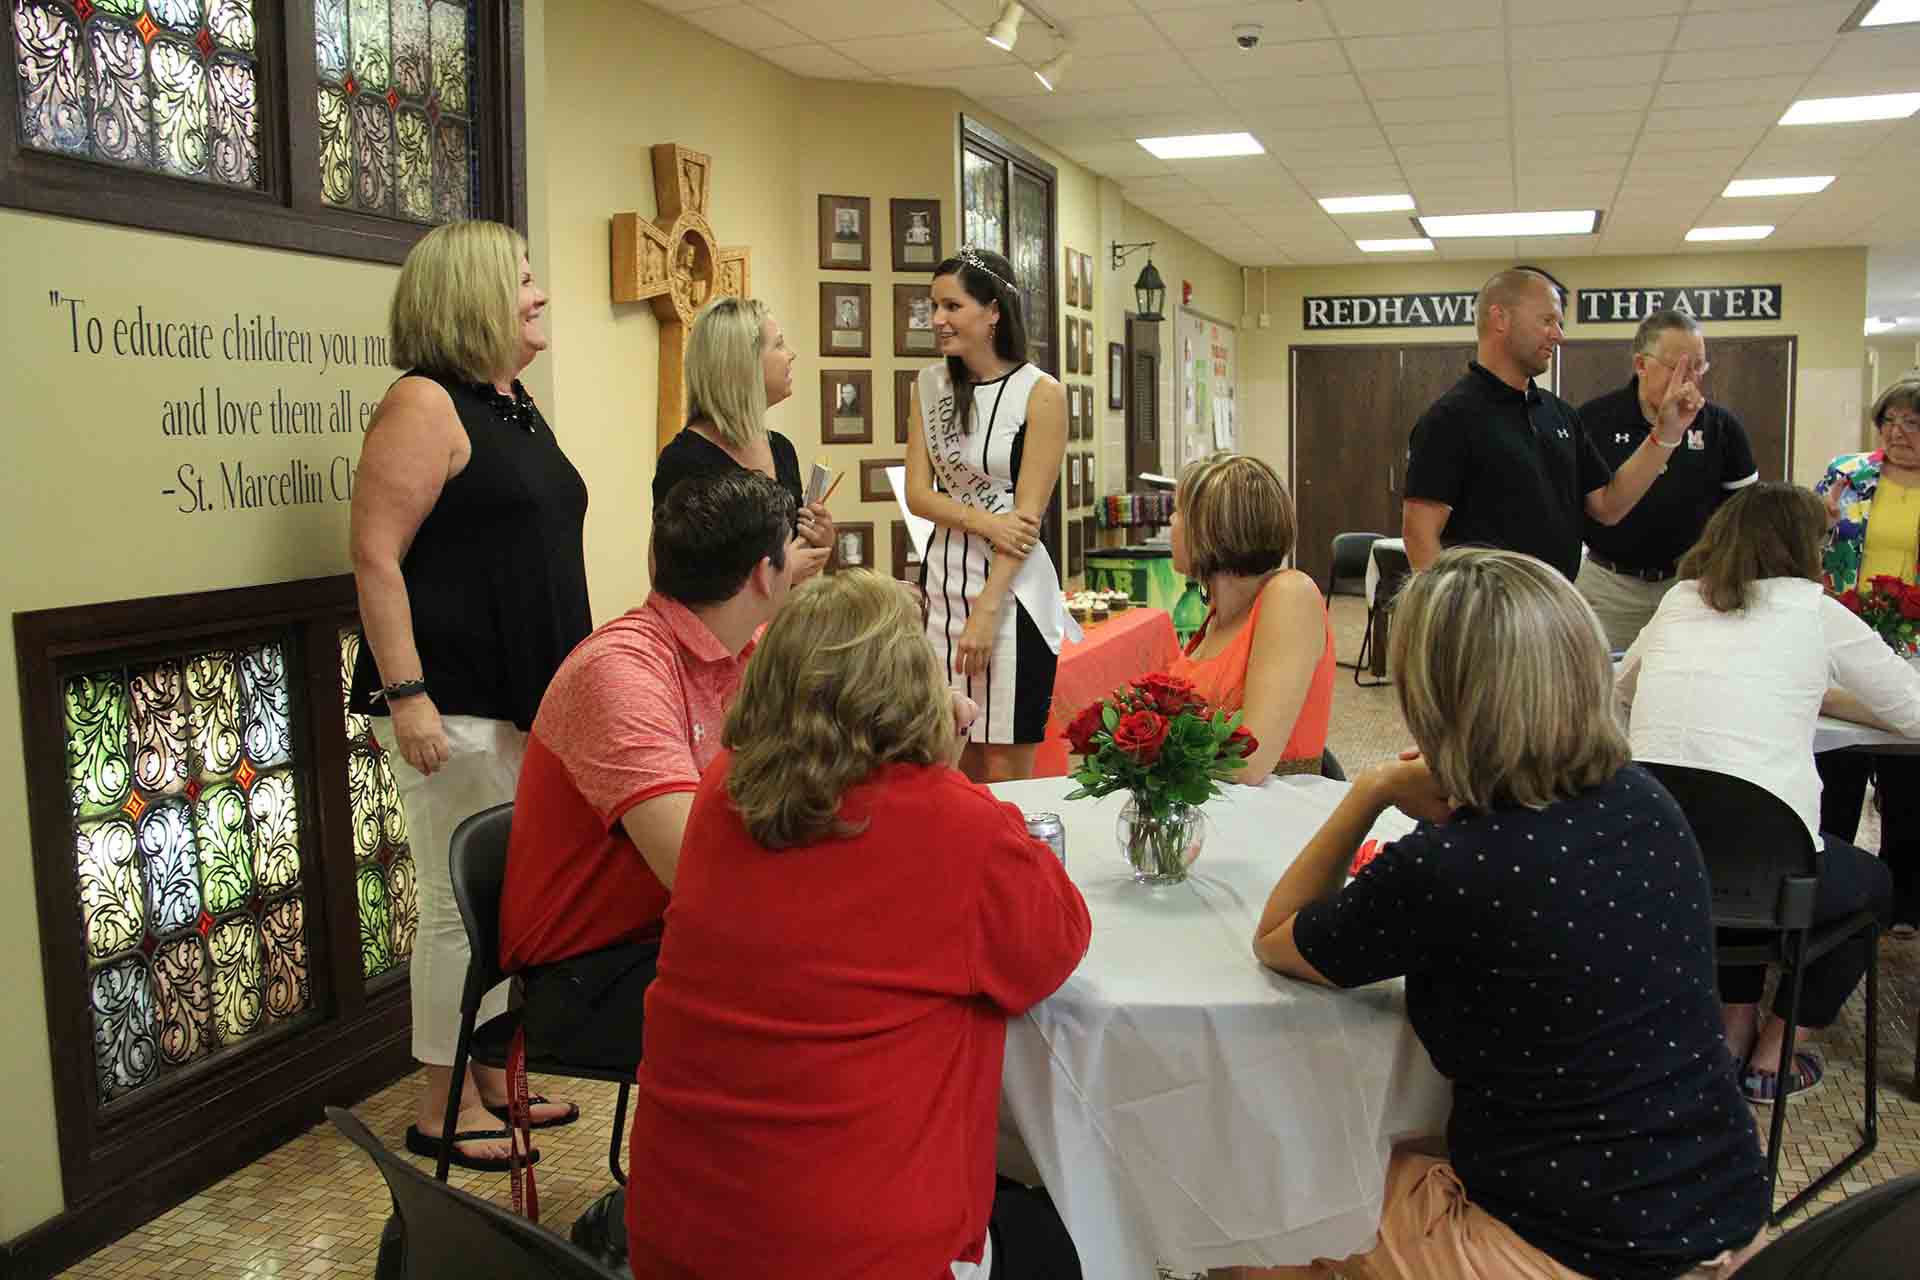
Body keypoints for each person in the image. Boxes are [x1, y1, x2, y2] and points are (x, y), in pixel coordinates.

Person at [1251, 548, 1767, 1280]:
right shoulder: (1647, 803)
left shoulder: (1454, 865)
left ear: (1439, 699)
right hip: (1724, 1214)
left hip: (1569, 1252)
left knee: (1265, 1198)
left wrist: (1370, 789)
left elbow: (1278, 938)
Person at [624, 571, 1091, 1279]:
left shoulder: (723, 790)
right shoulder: (951, 827)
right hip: (861, 1258)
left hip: (677, 1240)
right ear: (913, 691)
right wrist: (946, 774)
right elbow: (1055, 945)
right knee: (1091, 1229)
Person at [499, 468, 796, 1259]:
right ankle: (689, 1230)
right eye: (793, 548)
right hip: (588, 974)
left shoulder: (740, 651)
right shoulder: (622, 672)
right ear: (767, 573)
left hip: (662, 937)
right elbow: (700, 869)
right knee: (812, 1005)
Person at [348, 220, 588, 1172]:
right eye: (522, 279)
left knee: (509, 901)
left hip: (521, 702)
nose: (539, 293)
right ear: (472, 295)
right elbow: (375, 555)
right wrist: (406, 693)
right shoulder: (422, 403)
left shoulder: (514, 403)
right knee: (458, 906)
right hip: (450, 706)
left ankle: (492, 1075)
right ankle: (441, 1105)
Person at [1617, 483, 1918, 1102]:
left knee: (1727, 848)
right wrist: (1833, 695)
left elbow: (1622, 691)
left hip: (1660, 856)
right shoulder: (1816, 612)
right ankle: (1779, 1048)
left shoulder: (1679, 601)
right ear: (1803, 546)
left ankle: (1731, 1030)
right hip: (1771, 868)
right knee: (1873, 886)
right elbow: (1914, 714)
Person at [1402, 268, 1707, 582]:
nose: (1559, 334)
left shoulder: (1559, 414)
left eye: (1559, 323)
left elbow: (1608, 506)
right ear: (1500, 319)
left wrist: (1666, 433)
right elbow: (1419, 536)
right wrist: (1451, 615)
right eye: (1547, 321)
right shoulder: (1449, 419)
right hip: (1488, 617)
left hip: (1555, 606)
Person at [905, 246, 1072, 783]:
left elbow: (1024, 522)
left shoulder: (1041, 395)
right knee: (945, 762)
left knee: (1002, 774)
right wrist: (983, 521)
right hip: (942, 589)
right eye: (934, 306)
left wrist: (985, 611)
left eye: (951, 306)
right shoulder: (928, 387)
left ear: (992, 311)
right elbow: (918, 495)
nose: (937, 320)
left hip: (1012, 598)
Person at [1576, 310, 1759, 651]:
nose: (1689, 378)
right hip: (1610, 590)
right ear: (1641, 365)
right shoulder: (1593, 421)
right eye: (1677, 366)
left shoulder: (1721, 427)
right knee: (1605, 689)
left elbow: (1745, 516)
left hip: (1690, 588)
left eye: (1699, 366)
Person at [1815, 376, 1920, 939]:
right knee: (1840, 762)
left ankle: (1902, 902)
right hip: (1850, 630)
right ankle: (1829, 886)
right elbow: (1807, 537)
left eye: (1913, 422)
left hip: (1917, 643)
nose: (1898, 432)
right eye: (1890, 421)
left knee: (1908, 771)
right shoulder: (1847, 474)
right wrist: (1820, 523)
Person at [1164, 453, 1334, 778]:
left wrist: (1148, 754)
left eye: (1179, 512)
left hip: (1272, 809)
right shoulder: (1217, 613)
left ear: (1211, 530)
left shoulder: (1289, 595)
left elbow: (1249, 762)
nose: (1171, 522)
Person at [653, 296, 832, 581]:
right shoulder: (685, 461)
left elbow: (792, 557)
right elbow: (671, 580)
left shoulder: (782, 449)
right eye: (779, 344)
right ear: (743, 364)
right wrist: (782, 573)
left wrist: (818, 540)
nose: (791, 354)